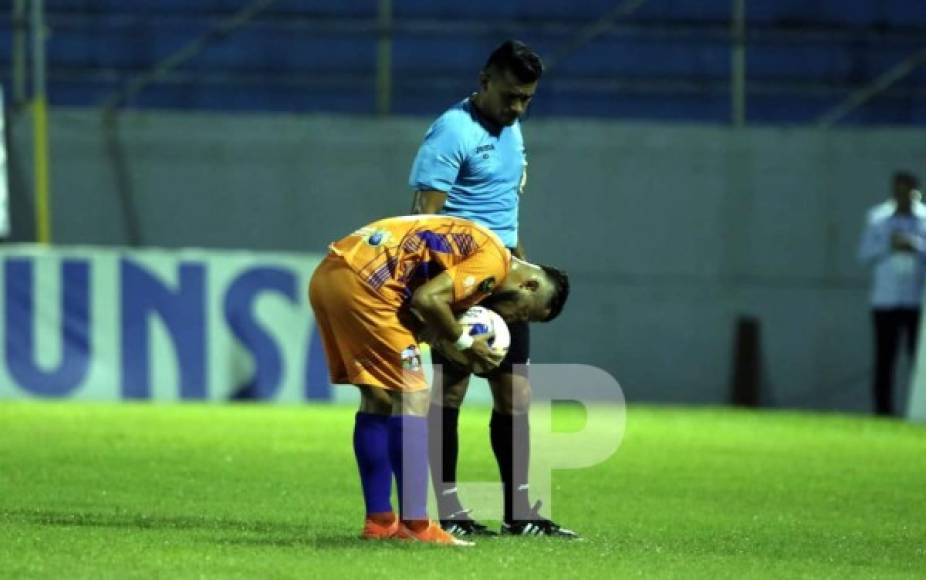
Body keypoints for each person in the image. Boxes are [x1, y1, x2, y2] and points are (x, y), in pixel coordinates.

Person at [308, 214, 569, 545]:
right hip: (370, 285)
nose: (516, 320)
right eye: (526, 313)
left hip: (332, 275)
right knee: (413, 398)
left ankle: (380, 521)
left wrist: (444, 334)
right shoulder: (492, 263)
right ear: (529, 285)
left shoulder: (476, 248)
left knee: (378, 400)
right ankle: (416, 526)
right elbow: (427, 299)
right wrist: (462, 342)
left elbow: (420, 302)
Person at [408, 39, 577, 537]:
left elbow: (504, 206)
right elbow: (423, 220)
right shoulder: (452, 131)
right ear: (485, 80)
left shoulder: (513, 129)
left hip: (503, 278)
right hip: (461, 283)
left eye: (526, 99)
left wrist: (521, 264)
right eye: (509, 96)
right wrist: (445, 297)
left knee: (515, 398)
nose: (517, 107)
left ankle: (519, 513)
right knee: (451, 395)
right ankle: (450, 512)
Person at [858, 171, 926, 417]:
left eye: (908, 192)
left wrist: (915, 246)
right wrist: (889, 245)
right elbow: (864, 254)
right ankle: (882, 412)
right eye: (899, 191)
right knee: (885, 359)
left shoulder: (924, 219)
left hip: (915, 301)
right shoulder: (878, 218)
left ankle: (919, 411)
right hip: (885, 300)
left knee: (918, 362)